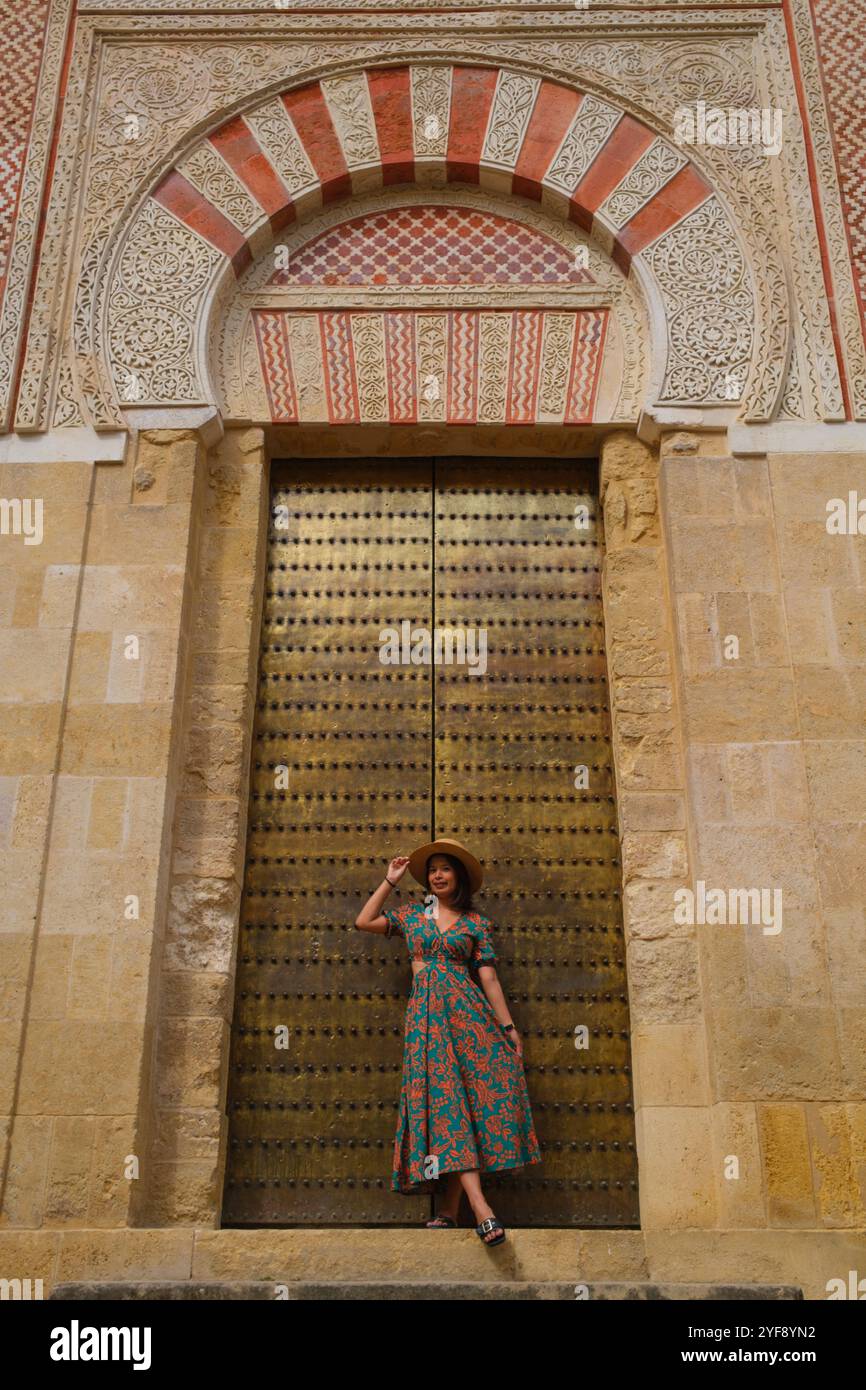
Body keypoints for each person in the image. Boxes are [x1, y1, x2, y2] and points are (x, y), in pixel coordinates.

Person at [355, 837, 541, 1245]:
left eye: (446, 868)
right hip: (427, 1019)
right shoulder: (411, 916)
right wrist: (389, 881)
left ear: (458, 877)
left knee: (464, 1106)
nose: (438, 874)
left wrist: (508, 1028)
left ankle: (450, 1212)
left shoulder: (475, 923)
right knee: (446, 1105)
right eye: (433, 869)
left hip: (469, 1017)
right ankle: (482, 1209)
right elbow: (363, 921)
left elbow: (488, 978)